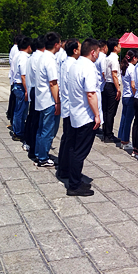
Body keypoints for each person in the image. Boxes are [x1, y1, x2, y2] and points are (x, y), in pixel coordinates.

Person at [65, 38, 101, 196]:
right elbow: (91, 93)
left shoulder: (75, 65)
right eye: (98, 52)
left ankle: (75, 179)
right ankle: (74, 185)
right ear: (93, 52)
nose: (98, 55)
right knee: (80, 152)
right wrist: (97, 115)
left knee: (75, 149)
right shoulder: (89, 67)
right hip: (86, 115)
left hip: (75, 112)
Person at [34, 31, 61, 167]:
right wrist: (57, 101)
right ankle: (43, 157)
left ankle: (39, 153)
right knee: (48, 130)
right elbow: (53, 83)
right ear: (56, 44)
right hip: (49, 100)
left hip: (41, 98)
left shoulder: (42, 57)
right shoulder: (50, 60)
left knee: (41, 129)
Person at [56, 39, 80, 182]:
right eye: (79, 47)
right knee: (70, 140)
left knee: (66, 139)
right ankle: (65, 170)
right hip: (71, 106)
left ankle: (63, 167)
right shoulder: (73, 65)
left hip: (66, 104)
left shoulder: (66, 63)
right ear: (75, 50)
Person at [24, 36, 44, 158]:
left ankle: (30, 143)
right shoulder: (39, 58)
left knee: (32, 119)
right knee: (36, 121)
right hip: (38, 91)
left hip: (33, 90)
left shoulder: (32, 57)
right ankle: (33, 147)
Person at [11, 36, 32, 142]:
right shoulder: (24, 57)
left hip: (17, 85)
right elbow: (23, 76)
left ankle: (18, 130)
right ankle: (18, 132)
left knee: (18, 110)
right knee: (20, 111)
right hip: (21, 86)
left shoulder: (17, 55)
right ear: (28, 46)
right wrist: (27, 90)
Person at [101, 38, 121, 143]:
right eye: (119, 45)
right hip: (112, 85)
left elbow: (105, 73)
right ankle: (108, 134)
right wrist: (118, 89)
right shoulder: (113, 59)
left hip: (107, 84)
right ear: (115, 47)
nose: (120, 47)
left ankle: (105, 132)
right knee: (110, 111)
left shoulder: (107, 58)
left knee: (106, 110)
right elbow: (114, 74)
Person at [117, 50, 138, 149]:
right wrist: (135, 94)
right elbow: (133, 84)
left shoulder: (124, 67)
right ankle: (125, 141)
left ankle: (121, 137)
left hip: (125, 95)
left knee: (123, 118)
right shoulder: (132, 68)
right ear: (133, 58)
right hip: (130, 96)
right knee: (128, 120)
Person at [6, 35, 23, 126]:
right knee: (16, 104)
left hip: (14, 78)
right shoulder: (17, 51)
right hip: (17, 80)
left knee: (13, 101)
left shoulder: (14, 49)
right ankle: (14, 122)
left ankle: (10, 114)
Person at [95, 40, 107, 135]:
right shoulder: (103, 57)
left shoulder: (96, 56)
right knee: (100, 107)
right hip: (100, 85)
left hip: (97, 84)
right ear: (104, 47)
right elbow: (104, 72)